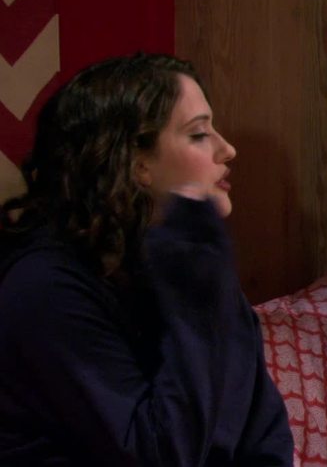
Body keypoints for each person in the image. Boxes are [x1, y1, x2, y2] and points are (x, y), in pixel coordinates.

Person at [0, 53, 293, 465]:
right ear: (137, 163)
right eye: (198, 134)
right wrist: (201, 292)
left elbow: (265, 438)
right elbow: (158, 453)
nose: (228, 149)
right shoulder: (45, 288)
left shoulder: (189, 266)